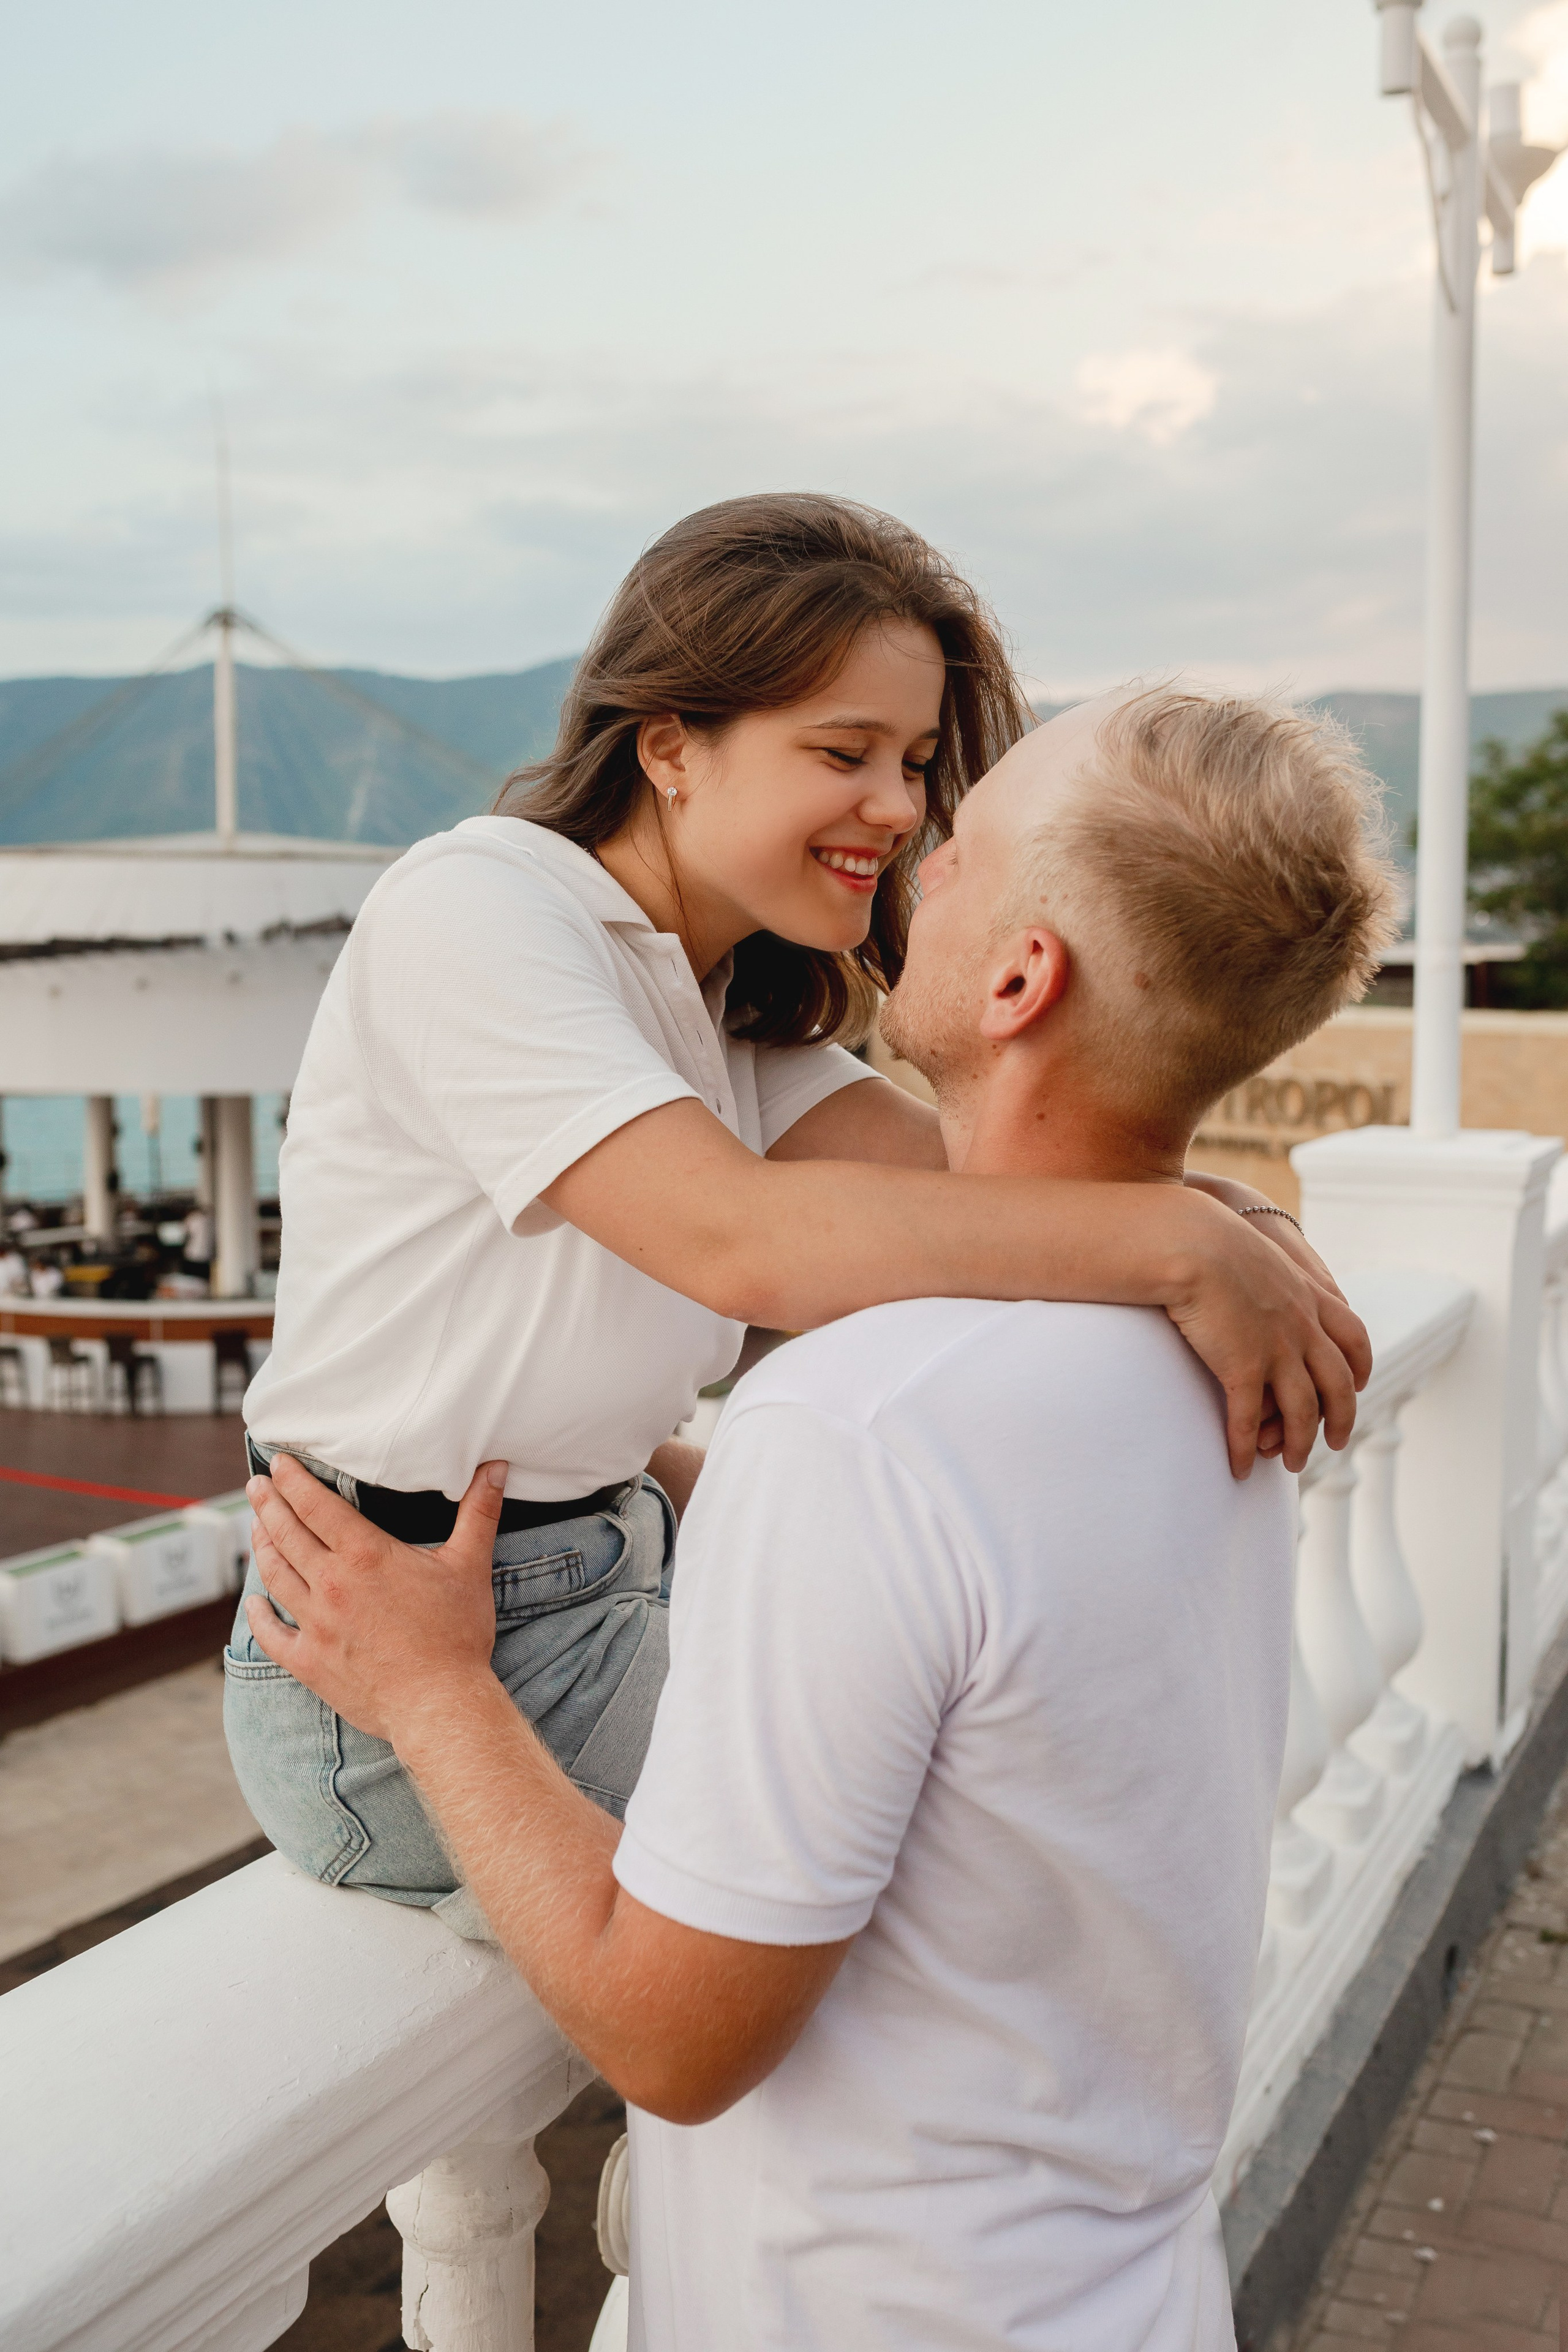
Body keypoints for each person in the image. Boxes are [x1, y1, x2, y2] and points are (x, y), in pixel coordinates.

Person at [243, 681, 1400, 2350]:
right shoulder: (1206, 1362)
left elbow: (671, 2034)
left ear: (1020, 977)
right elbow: (996, 1689)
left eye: (959, 828)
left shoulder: (864, 1427)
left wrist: (431, 1689)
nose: (916, 840)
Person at [226, 495, 1368, 1925]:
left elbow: (986, 1193)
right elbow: (741, 1240)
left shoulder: (705, 994)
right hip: (395, 1648)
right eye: (843, 752)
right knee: (934, 1866)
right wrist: (1179, 1246)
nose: (897, 808)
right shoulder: (479, 912)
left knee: (963, 1788)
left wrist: (1236, 1219)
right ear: (668, 748)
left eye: (914, 762)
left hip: (595, 1576)